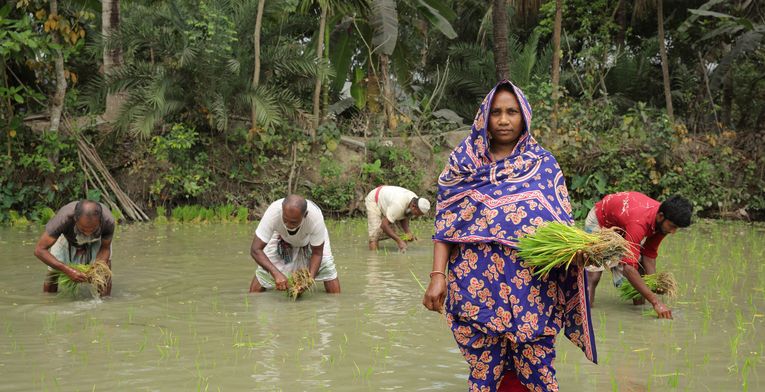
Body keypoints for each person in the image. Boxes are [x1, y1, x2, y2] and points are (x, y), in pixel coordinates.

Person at [422, 81, 596, 391]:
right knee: (484, 372)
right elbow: (445, 224)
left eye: (512, 112)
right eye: (497, 112)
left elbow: (561, 226)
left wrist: (579, 252)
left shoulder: (543, 164)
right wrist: (438, 275)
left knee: (539, 373)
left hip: (532, 287)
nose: (504, 120)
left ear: (524, 116)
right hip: (476, 286)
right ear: (484, 117)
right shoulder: (463, 163)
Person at [585, 192, 692, 319]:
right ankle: (586, 316)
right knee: (594, 274)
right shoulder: (640, 222)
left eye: (676, 228)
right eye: (672, 226)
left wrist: (653, 283)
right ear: (660, 216)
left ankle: (638, 313)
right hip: (601, 221)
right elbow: (628, 268)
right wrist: (656, 302)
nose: (673, 232)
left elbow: (649, 254)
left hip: (624, 227)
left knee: (640, 269)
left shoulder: (662, 222)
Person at [248, 194, 340, 294]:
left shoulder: (315, 218)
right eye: (285, 219)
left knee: (327, 267)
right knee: (264, 272)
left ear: (305, 215)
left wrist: (309, 280)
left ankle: (336, 302)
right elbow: (255, 250)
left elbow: (317, 253)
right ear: (282, 211)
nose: (288, 225)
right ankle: (253, 301)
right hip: (281, 237)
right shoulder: (273, 212)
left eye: (293, 222)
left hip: (310, 239)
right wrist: (276, 274)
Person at [33, 200, 115, 296]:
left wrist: (95, 269)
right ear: (75, 219)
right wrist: (67, 270)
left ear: (100, 221)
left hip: (97, 240)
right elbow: (39, 250)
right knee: (53, 274)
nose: (87, 233)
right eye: (83, 229)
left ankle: (104, 304)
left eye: (92, 229)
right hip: (68, 239)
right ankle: (48, 301)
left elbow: (105, 248)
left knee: (103, 273)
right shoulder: (63, 219)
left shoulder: (108, 221)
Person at [365, 185, 430, 252]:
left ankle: (403, 257)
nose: (417, 216)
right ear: (413, 206)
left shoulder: (415, 200)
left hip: (389, 200)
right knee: (374, 235)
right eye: (417, 213)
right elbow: (384, 225)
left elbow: (405, 215)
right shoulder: (398, 205)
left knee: (404, 234)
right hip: (375, 199)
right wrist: (399, 241)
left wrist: (408, 232)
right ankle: (373, 258)